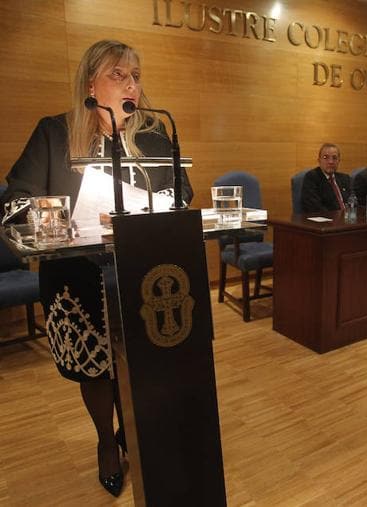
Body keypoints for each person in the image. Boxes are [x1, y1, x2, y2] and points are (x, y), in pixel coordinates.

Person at [0, 40, 193, 497]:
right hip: (76, 276)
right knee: (95, 370)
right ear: (91, 82)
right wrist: (64, 216)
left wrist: (158, 205)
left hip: (142, 275)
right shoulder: (54, 132)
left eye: (136, 75)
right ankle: (107, 442)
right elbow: (15, 204)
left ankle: (134, 431)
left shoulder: (154, 134)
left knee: (139, 364)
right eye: (118, 74)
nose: (132, 84)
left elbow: (182, 190)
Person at [301, 143, 351, 213]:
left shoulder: (345, 178)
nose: (330, 162)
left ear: (339, 161)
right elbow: (315, 208)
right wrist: (338, 218)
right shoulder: (312, 178)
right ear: (319, 160)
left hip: (348, 220)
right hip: (326, 221)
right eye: (325, 157)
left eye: (334, 158)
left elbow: (353, 202)